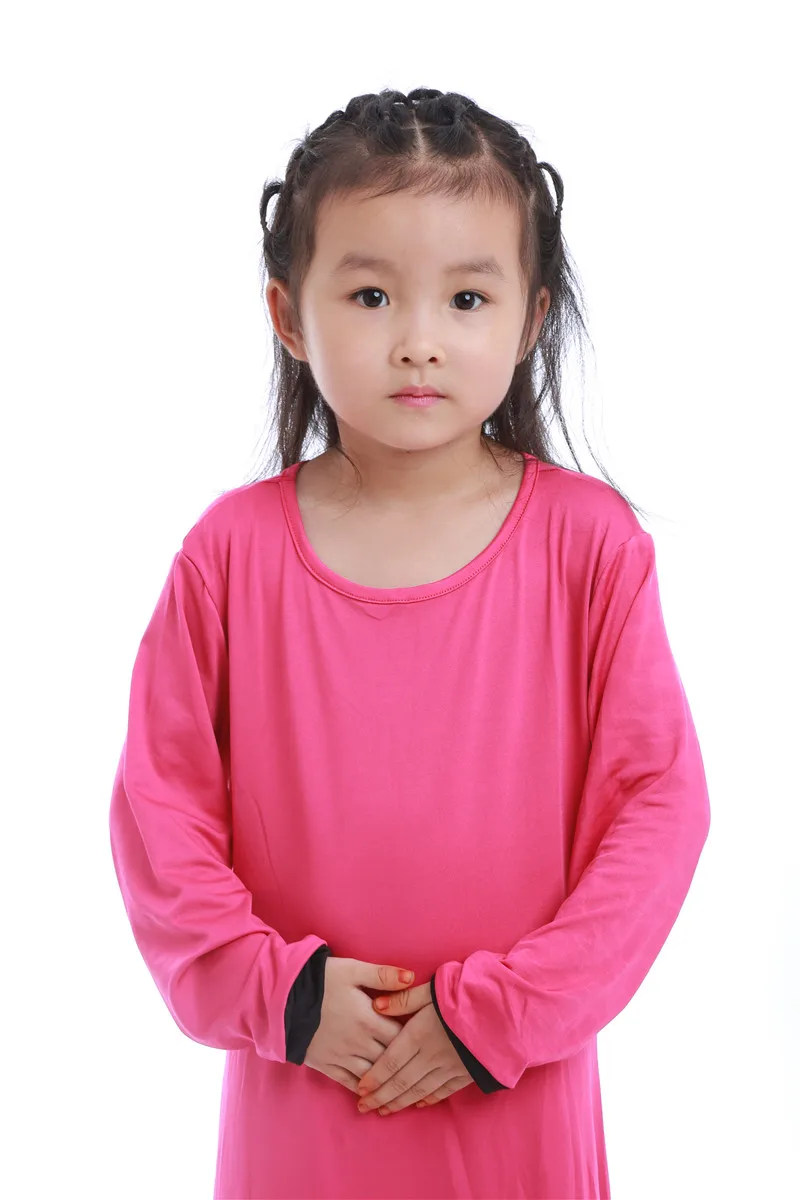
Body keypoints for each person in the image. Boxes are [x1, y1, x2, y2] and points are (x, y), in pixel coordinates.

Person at [108, 87, 711, 1199]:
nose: (419, 341)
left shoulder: (589, 547)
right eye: (372, 294)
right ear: (289, 316)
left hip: (514, 1095)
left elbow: (655, 811)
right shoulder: (229, 555)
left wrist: (503, 1015)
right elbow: (161, 817)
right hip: (305, 1093)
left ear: (529, 318)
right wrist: (283, 996)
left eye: (466, 297)